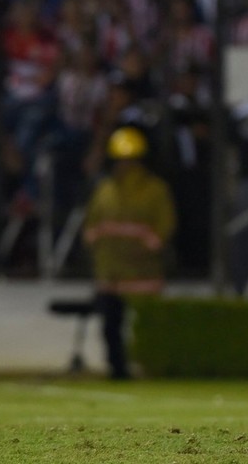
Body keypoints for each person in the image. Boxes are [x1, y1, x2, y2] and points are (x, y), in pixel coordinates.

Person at [82, 126, 176, 380]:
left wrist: (148, 245)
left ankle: (151, 368)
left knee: (146, 326)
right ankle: (118, 370)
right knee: (110, 326)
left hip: (142, 272)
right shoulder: (105, 190)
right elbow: (91, 223)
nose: (125, 165)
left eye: (130, 160)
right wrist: (94, 242)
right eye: (121, 160)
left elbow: (164, 226)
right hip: (110, 271)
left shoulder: (155, 190)